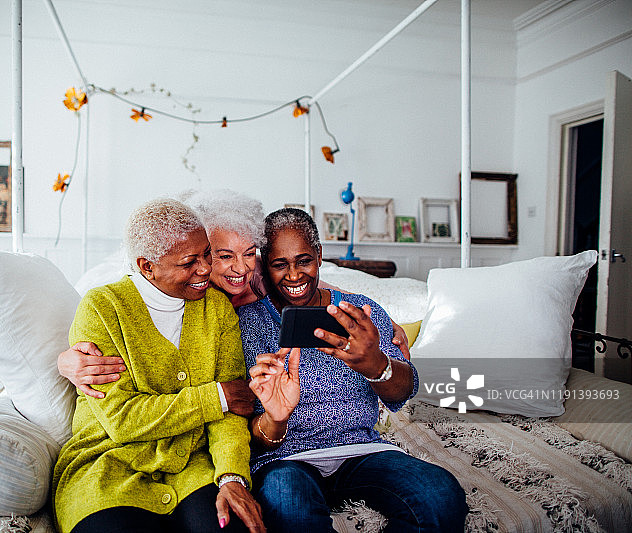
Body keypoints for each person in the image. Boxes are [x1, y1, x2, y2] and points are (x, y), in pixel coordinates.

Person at [241, 208, 468, 533]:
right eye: (280, 264)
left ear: (319, 256)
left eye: (304, 260)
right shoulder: (248, 322)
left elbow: (404, 392)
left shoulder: (361, 311)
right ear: (265, 265)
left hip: (360, 451)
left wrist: (376, 364)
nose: (293, 275)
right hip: (285, 461)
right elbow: (244, 432)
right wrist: (275, 419)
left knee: (441, 495)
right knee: (289, 505)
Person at [57, 190, 410, 399]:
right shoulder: (177, 286)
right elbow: (127, 308)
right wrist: (65, 361)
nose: (239, 268)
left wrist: (383, 314)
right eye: (223, 256)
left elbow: (313, 284)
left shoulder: (257, 277)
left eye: (249, 253)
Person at [52, 198, 264, 533]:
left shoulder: (217, 308)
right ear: (147, 266)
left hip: (194, 467)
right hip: (109, 466)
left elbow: (233, 413)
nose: (206, 269)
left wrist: (231, 476)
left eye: (207, 254)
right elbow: (122, 419)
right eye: (188, 262)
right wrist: (216, 396)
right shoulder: (102, 308)